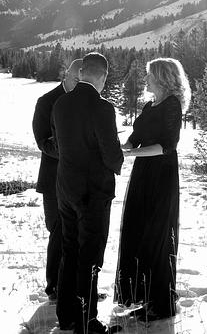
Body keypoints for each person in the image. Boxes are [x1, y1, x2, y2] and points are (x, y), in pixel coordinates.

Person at [114, 57, 191, 322]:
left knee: (158, 235)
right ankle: (144, 296)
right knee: (139, 231)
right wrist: (118, 148)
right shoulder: (149, 105)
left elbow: (167, 146)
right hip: (143, 173)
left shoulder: (172, 105)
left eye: (149, 75)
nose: (145, 79)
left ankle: (161, 303)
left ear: (162, 77)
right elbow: (134, 139)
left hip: (161, 174)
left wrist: (131, 154)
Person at [52, 52, 123, 334]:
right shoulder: (102, 108)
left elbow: (60, 145)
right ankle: (87, 321)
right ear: (103, 76)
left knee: (70, 250)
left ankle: (66, 315)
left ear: (82, 73)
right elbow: (111, 155)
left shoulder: (60, 104)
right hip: (93, 192)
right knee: (90, 256)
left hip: (65, 188)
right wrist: (119, 160)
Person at [32, 58, 82, 301]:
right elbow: (43, 142)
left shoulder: (88, 101)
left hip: (82, 179)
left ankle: (79, 287)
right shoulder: (46, 102)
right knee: (58, 232)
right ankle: (55, 288)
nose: (79, 84)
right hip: (54, 179)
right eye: (75, 79)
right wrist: (72, 149)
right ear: (65, 75)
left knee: (81, 234)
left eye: (83, 80)